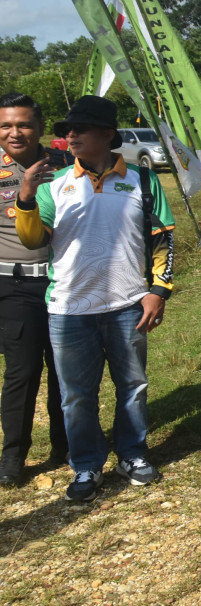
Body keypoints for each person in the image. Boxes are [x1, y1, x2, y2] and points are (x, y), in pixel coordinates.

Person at [15, 96, 174, 502]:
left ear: (107, 134)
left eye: (80, 129)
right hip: (69, 309)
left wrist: (158, 291)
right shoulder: (55, 182)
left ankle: (132, 455)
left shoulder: (142, 179)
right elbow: (33, 241)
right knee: (76, 396)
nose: (70, 136)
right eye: (67, 130)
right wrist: (27, 198)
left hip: (127, 305)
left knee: (133, 386)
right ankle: (86, 466)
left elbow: (163, 240)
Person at [0, 93, 69, 486]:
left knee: (66, 368)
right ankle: (14, 455)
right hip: (15, 284)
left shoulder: (63, 165)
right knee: (22, 371)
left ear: (40, 127)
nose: (15, 133)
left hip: (63, 280)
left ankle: (66, 442)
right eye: (6, 125)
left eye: (23, 124)